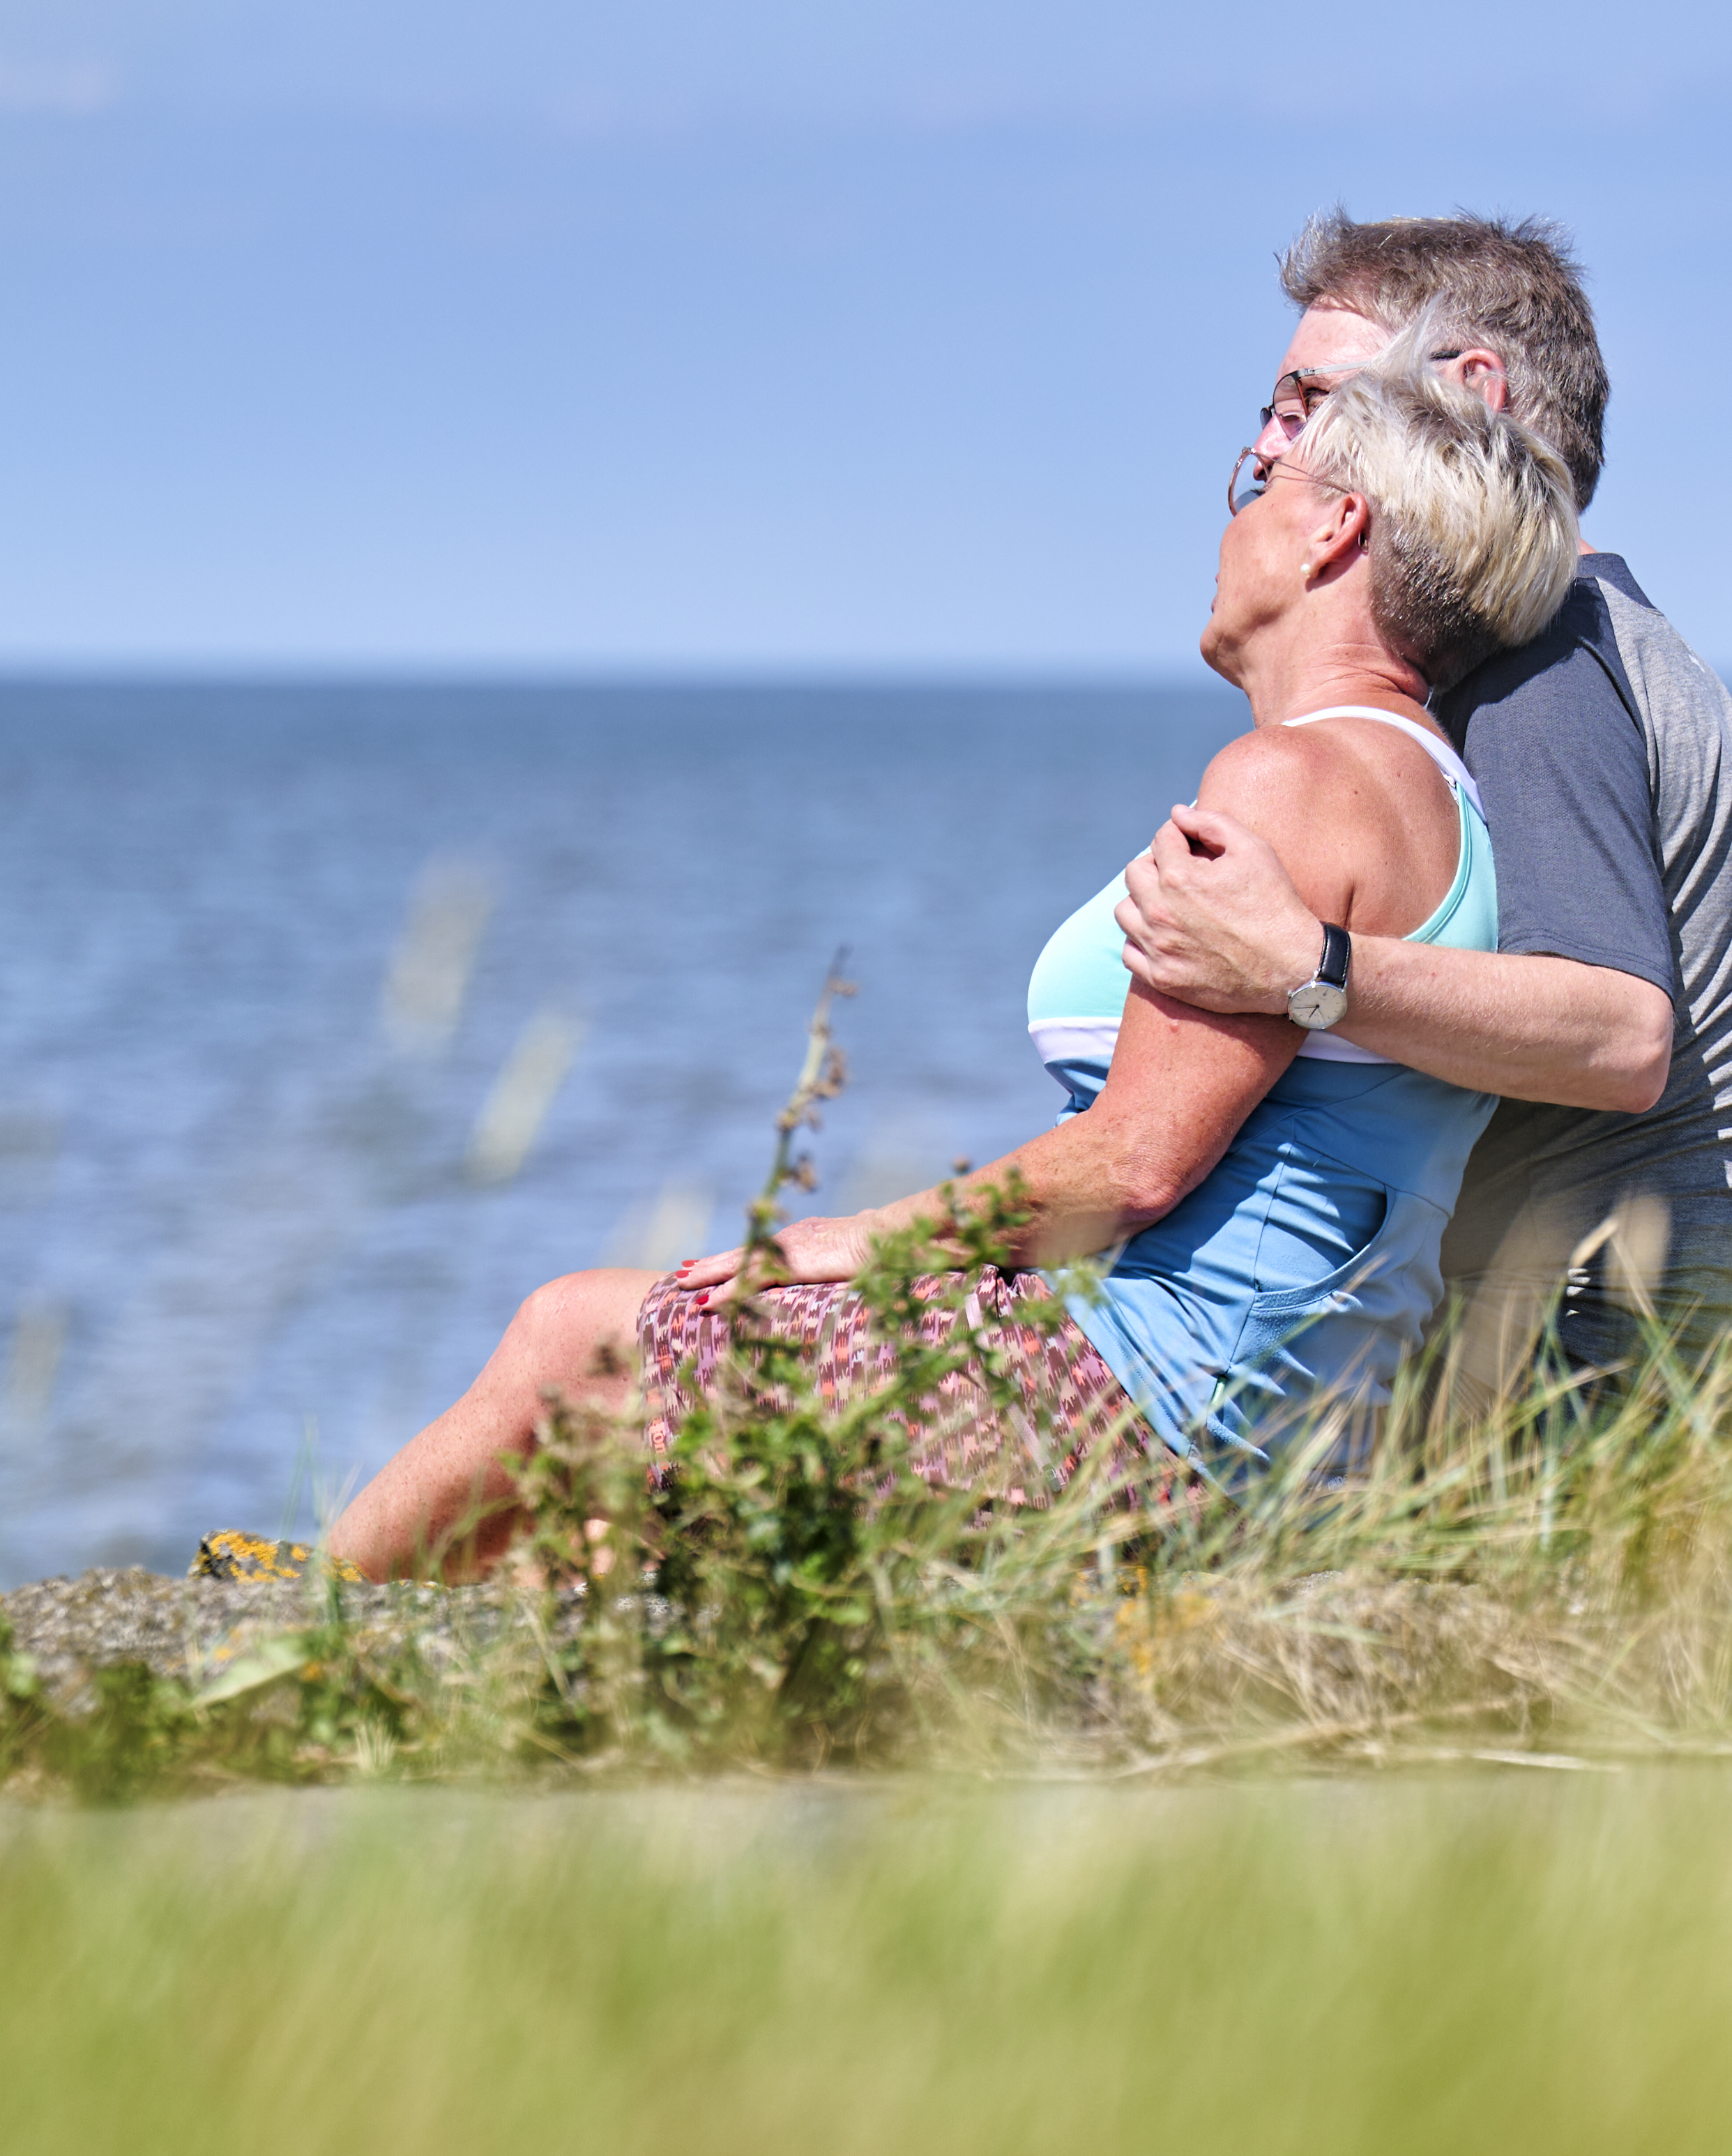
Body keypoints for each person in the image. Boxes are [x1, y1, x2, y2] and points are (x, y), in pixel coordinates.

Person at [321, 351, 1582, 1577]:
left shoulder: (1291, 780)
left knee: (576, 1339)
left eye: (1262, 493)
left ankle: (259, 1655)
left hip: (1149, 1415)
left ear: (1333, 531)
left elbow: (1133, 1162)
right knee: (614, 1488)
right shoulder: (1443, 798)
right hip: (1273, 1431)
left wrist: (857, 1238)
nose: (1226, 526)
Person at [1120, 212, 1732, 1408]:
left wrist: (1302, 964)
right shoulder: (1586, 641)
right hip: (1712, 1364)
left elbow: (1619, 1035)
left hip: (1648, 1379)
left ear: (1474, 394)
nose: (1270, 449)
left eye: (1304, 402)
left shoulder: (1542, 663)